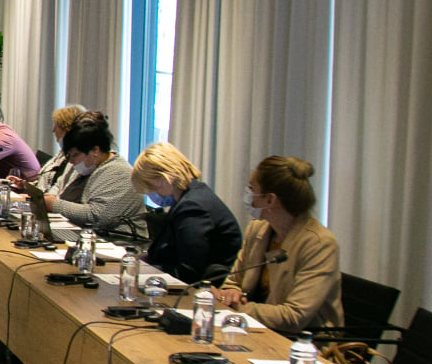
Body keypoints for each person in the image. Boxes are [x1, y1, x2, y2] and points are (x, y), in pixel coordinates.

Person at [214, 156, 343, 335]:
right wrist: (229, 293)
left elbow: (294, 316)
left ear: (270, 200)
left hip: (304, 342)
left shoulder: (320, 244)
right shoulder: (257, 229)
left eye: (252, 189)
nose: (248, 197)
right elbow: (234, 282)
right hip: (256, 331)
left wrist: (237, 308)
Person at [129, 142, 243, 283]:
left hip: (203, 289)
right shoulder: (191, 196)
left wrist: (145, 273)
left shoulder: (192, 207)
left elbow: (189, 272)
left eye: (151, 187)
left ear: (162, 179)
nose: (151, 193)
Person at [34, 111, 143, 236]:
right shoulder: (91, 166)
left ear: (95, 150)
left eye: (75, 155)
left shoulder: (119, 173)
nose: (71, 161)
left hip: (119, 241)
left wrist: (54, 204)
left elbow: (95, 216)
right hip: (94, 236)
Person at [36, 104, 89, 200]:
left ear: (67, 128)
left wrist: (48, 201)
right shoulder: (62, 153)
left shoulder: (80, 160)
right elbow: (58, 184)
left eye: (56, 126)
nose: (53, 130)